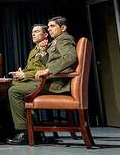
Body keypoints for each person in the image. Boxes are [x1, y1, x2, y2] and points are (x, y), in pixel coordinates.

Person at [6, 16, 77, 145]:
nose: (49, 29)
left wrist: (48, 70)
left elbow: (70, 58)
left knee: (14, 91)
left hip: (54, 83)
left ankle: (25, 132)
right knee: (13, 88)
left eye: (52, 26)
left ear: (63, 28)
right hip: (48, 81)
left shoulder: (64, 39)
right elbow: (50, 62)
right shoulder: (55, 42)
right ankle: (33, 130)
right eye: (48, 26)